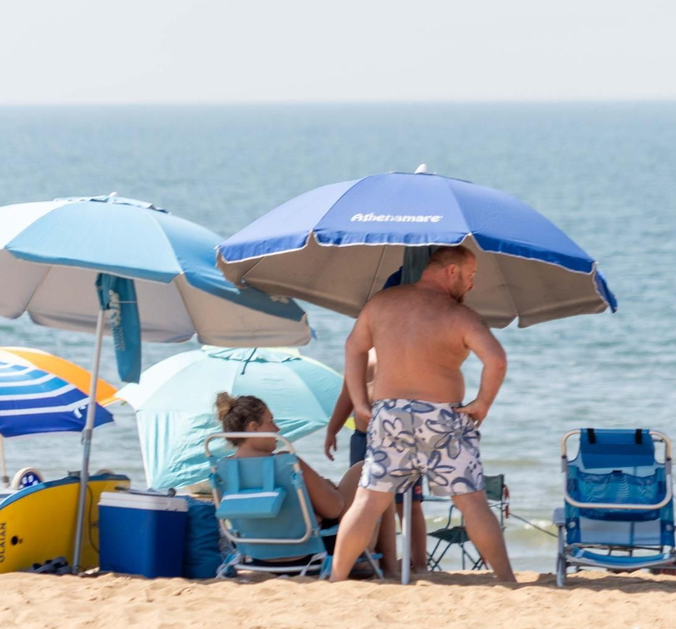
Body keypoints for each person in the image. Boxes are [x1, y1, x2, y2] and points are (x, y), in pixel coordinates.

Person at [328, 245, 515, 583]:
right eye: (470, 277)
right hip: (442, 419)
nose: (471, 285)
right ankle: (505, 580)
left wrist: (359, 403)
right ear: (452, 271)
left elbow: (353, 349)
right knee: (471, 503)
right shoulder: (460, 316)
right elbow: (497, 360)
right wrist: (482, 403)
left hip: (389, 414)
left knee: (368, 501)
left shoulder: (381, 305)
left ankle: (336, 579)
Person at [216, 392, 398, 576]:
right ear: (253, 427)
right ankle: (390, 568)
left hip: (257, 556)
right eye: (270, 421)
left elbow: (251, 512)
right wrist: (323, 492)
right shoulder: (287, 463)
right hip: (306, 552)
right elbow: (334, 508)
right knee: (369, 474)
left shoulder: (224, 469)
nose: (277, 429)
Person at [323, 349, 428, 572]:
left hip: (401, 438)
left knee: (407, 504)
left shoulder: (403, 350)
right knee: (364, 501)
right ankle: (374, 557)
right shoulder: (358, 354)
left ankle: (419, 562)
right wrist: (333, 429)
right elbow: (347, 395)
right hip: (363, 437)